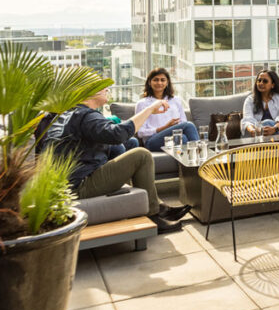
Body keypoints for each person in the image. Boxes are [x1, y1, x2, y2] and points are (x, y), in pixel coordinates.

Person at [39, 85, 189, 234]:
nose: (106, 90)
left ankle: (157, 205)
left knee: (125, 145)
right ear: (90, 92)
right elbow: (118, 134)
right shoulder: (86, 116)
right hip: (78, 187)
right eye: (103, 87)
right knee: (142, 155)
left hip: (67, 183)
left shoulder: (70, 115)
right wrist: (149, 109)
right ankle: (153, 215)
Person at [133, 68, 199, 151]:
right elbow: (140, 133)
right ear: (149, 82)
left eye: (162, 80)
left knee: (183, 138)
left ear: (167, 82)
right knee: (189, 125)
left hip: (175, 137)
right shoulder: (142, 104)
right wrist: (165, 127)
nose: (159, 83)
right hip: (152, 141)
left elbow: (183, 121)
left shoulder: (176, 100)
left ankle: (192, 161)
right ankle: (201, 155)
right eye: (156, 80)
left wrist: (174, 127)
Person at [242, 69, 279, 136]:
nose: (261, 83)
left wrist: (274, 129)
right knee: (265, 123)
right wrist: (253, 131)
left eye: (265, 81)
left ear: (272, 85)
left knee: (268, 122)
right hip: (257, 135)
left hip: (277, 134)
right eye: (259, 80)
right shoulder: (250, 100)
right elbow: (247, 120)